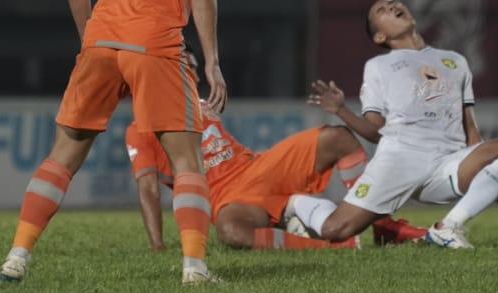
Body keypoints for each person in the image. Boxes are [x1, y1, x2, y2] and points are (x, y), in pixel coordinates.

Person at [0, 0, 227, 285]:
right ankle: (194, 268)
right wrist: (212, 60)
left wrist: (92, 39)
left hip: (102, 40)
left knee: (61, 156)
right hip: (156, 45)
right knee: (186, 162)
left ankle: (17, 257)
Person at [127, 53, 428, 252]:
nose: (188, 74)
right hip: (228, 198)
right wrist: (158, 247)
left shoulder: (202, 107)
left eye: (190, 67)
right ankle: (331, 244)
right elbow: (148, 189)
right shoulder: (141, 128)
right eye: (181, 67)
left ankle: (383, 227)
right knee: (231, 233)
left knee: (337, 137)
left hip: (261, 167)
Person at [301, 0, 498, 249]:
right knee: (335, 230)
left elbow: (471, 131)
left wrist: (494, 183)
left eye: (393, 3)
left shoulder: (456, 61)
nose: (391, 7)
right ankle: (293, 204)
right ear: (379, 36)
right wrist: (340, 109)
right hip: (401, 158)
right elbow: (375, 131)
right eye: (381, 10)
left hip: (447, 164)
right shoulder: (379, 66)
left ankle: (447, 228)